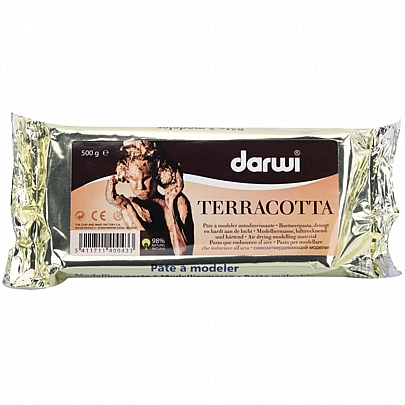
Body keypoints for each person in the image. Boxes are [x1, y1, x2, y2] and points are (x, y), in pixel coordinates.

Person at [106, 140, 194, 255]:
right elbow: (147, 253)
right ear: (126, 176)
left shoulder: (178, 202)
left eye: (146, 178)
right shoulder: (131, 206)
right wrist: (129, 209)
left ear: (158, 175)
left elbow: (182, 254)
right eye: (133, 178)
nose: (140, 186)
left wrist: (170, 208)